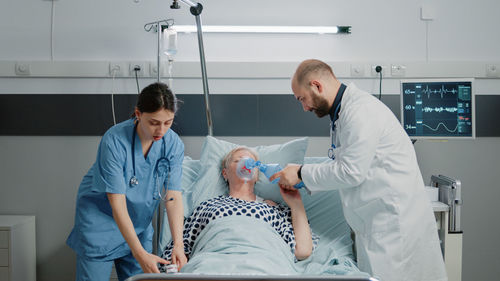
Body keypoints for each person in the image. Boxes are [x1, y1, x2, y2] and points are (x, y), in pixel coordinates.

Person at [270, 59, 447, 281]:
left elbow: (351, 171)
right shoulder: (343, 114)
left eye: (302, 99)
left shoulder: (360, 112)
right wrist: (302, 175)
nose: (304, 107)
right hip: (374, 225)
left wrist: (301, 173)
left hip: (394, 225)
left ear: (316, 85)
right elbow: (344, 166)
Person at [66, 82, 187, 281]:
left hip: (138, 224)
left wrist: (178, 245)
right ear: (138, 114)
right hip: (101, 223)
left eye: (168, 122)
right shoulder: (114, 141)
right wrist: (139, 254)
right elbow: (118, 204)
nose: (161, 131)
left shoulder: (172, 143)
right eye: (154, 122)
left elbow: (173, 196)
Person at [160, 147, 319, 272]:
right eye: (238, 160)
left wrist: (296, 203)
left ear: (257, 176)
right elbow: (180, 248)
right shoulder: (208, 206)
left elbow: (303, 251)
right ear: (225, 173)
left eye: (251, 161)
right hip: (212, 266)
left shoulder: (272, 207)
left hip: (265, 265)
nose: (246, 163)